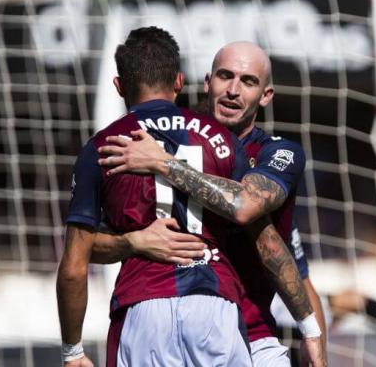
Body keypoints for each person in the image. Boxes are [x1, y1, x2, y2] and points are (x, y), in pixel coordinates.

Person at [57, 28, 294, 367]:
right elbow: (266, 241)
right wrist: (309, 324)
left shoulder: (102, 147)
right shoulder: (222, 141)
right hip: (216, 305)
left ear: (119, 86)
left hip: (143, 306)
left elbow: (73, 268)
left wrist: (73, 351)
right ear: (180, 82)